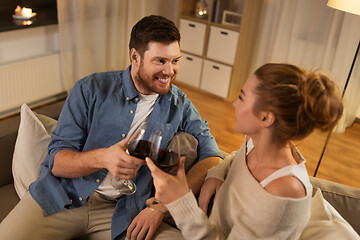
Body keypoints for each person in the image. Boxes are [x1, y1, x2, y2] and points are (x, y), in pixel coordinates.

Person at [0, 15, 222, 240]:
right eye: (160, 61)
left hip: (123, 212)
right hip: (62, 198)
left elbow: (211, 153)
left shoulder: (179, 104)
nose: (170, 71)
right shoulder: (91, 90)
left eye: (175, 60)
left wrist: (162, 206)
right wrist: (104, 159)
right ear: (135, 57)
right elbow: (57, 163)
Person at [147, 63, 344, 239]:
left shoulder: (284, 191)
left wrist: (180, 200)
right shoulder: (255, 138)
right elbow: (234, 159)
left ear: (266, 119)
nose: (234, 103)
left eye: (242, 98)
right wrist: (216, 174)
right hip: (208, 220)